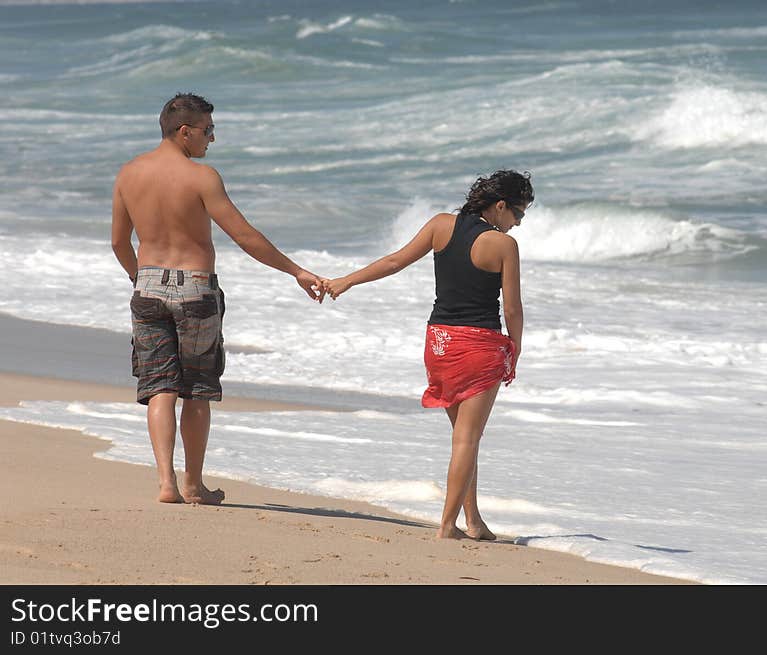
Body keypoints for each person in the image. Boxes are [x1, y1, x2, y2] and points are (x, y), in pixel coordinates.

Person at [111, 92, 325, 505]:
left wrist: (141, 278)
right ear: (185, 131)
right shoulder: (202, 177)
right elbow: (244, 237)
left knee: (159, 388)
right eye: (208, 131)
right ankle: (193, 484)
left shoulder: (128, 174)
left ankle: (166, 484)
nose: (212, 139)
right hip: (195, 288)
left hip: (148, 285)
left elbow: (119, 241)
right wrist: (296, 270)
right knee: (196, 389)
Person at [323, 170, 533, 539]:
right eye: (518, 214)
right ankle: (448, 525)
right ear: (500, 206)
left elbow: (393, 262)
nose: (517, 223)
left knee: (463, 439)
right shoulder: (503, 246)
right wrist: (513, 349)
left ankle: (474, 521)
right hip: (479, 345)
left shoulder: (440, 225)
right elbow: (513, 309)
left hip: (439, 342)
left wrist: (345, 280)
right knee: (467, 440)